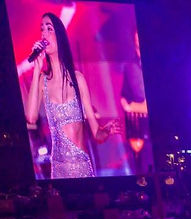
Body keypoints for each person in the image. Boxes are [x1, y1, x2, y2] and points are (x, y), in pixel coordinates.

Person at [24, 13, 122, 178]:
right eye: (42, 30)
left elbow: (97, 134)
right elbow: (31, 117)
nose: (44, 34)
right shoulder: (42, 81)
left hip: (82, 168)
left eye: (49, 29)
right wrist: (36, 69)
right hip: (58, 170)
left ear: (60, 36)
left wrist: (106, 131)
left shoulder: (78, 79)